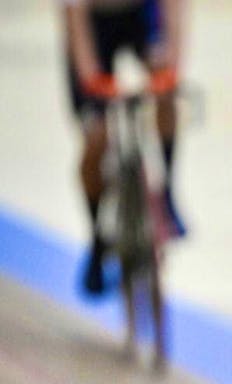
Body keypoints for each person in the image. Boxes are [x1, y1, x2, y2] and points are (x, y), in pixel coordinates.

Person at [62, 0, 187, 295]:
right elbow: (75, 18)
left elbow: (175, 9)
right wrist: (91, 79)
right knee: (96, 136)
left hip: (140, 13)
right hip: (93, 22)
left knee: (166, 88)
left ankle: (167, 193)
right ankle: (97, 241)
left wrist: (173, 67)